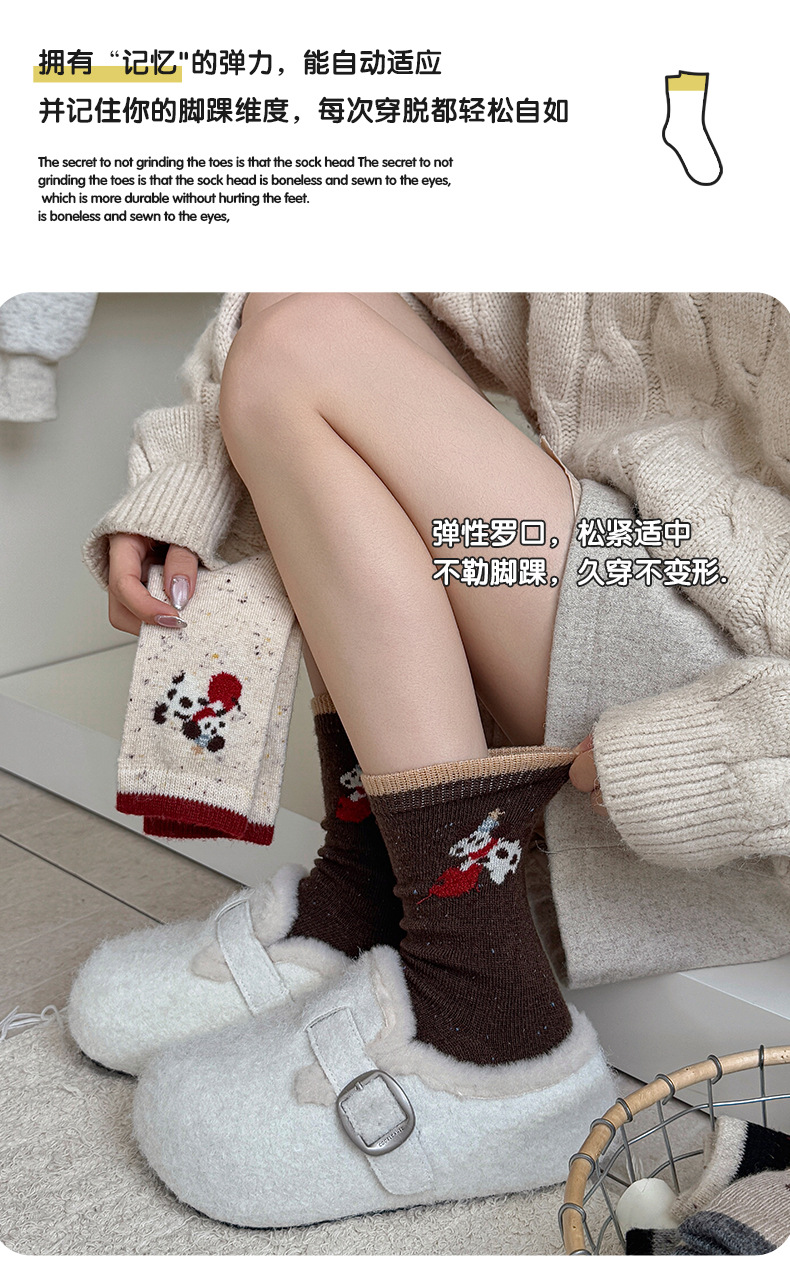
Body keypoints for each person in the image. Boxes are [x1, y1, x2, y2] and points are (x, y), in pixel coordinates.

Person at [70, 291, 790, 1230]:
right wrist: (190, 479)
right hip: (640, 541)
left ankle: (493, 1029)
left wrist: (720, 758)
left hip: (747, 659)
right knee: (306, 295)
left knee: (305, 350)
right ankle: (369, 888)